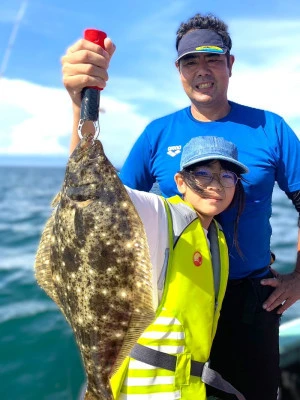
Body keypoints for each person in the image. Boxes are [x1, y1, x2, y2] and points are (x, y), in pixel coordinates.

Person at [61, 13, 300, 400]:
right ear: (178, 70)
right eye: (190, 60)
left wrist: (299, 277)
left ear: (230, 64)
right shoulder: (157, 133)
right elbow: (93, 204)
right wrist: (79, 108)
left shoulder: (269, 128)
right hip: (174, 299)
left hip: (251, 300)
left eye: (212, 58)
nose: (201, 70)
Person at [110, 135, 248, 400]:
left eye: (227, 176)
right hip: (145, 387)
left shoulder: (215, 237)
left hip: (187, 388)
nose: (216, 185)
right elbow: (98, 192)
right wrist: (80, 115)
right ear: (180, 182)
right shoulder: (162, 215)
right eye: (204, 173)